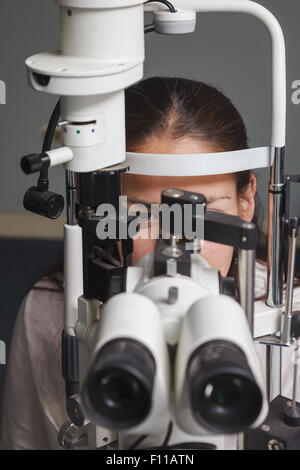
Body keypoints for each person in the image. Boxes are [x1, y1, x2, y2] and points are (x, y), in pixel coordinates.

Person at [1, 77, 300, 450]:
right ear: (101, 213)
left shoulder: (287, 312)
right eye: (141, 213)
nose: (173, 244)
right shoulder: (48, 311)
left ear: (246, 202)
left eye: (202, 211)